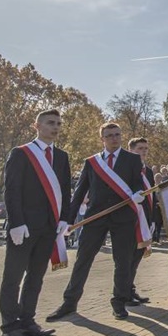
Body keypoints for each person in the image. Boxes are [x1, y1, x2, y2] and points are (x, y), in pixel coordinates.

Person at [47, 122, 147, 322]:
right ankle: (69, 303)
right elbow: (79, 192)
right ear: (102, 139)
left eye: (117, 134)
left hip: (123, 217)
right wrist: (67, 218)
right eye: (109, 135)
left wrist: (138, 193)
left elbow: (137, 183)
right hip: (96, 218)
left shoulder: (133, 160)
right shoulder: (92, 162)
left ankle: (119, 301)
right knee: (83, 260)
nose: (114, 138)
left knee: (123, 262)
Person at [0, 109, 72, 336]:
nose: (55, 127)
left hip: (49, 227)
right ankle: (9, 327)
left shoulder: (61, 156)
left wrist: (64, 219)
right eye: (50, 123)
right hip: (24, 227)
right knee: (13, 278)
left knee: (36, 277)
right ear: (37, 126)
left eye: (59, 123)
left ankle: (28, 320)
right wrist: (16, 222)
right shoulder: (21, 153)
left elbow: (65, 190)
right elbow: (12, 189)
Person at [126, 137, 155, 306]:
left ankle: (130, 289)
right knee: (127, 258)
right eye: (140, 148)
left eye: (145, 148)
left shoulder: (148, 171)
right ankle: (123, 293)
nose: (143, 151)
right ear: (131, 150)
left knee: (136, 258)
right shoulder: (126, 170)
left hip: (145, 220)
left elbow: (151, 196)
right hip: (131, 221)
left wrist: (152, 219)